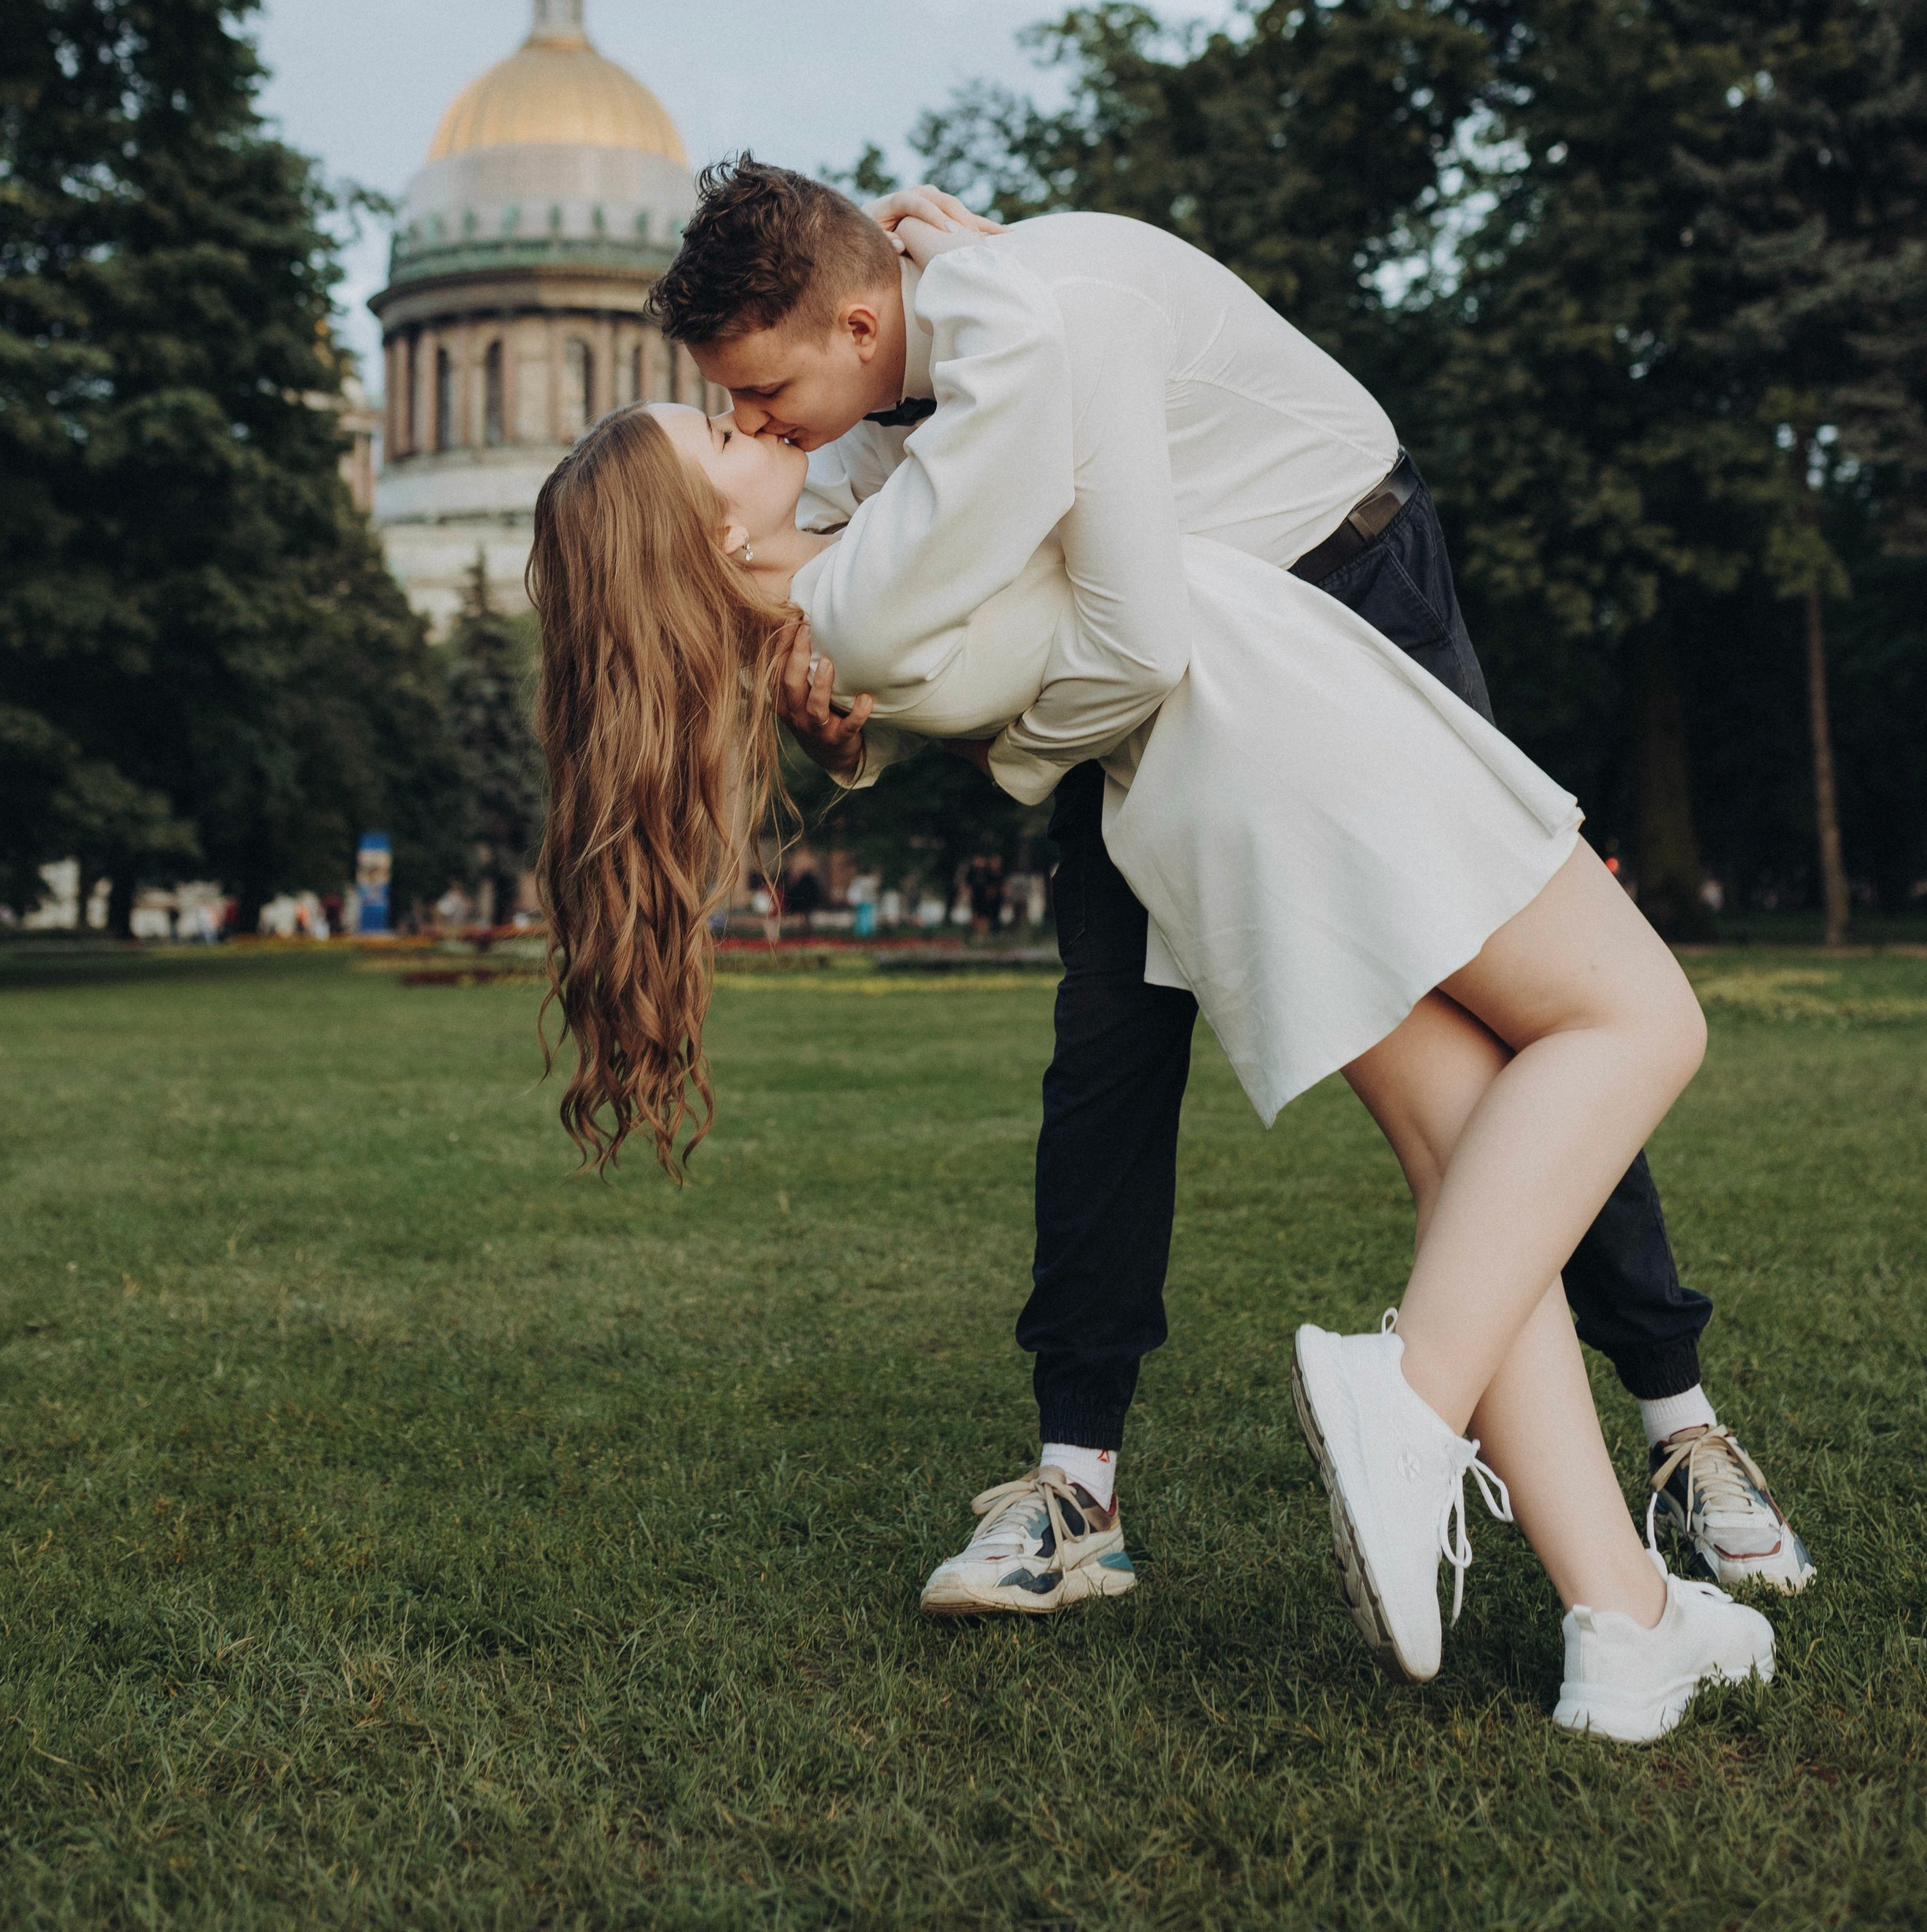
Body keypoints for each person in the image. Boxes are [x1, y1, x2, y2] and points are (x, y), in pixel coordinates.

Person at [530, 282, 1775, 1736]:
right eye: (718, 434)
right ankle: (1412, 1394)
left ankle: (1622, 1624)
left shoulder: (830, 609)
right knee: (1643, 1021)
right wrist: (980, 278)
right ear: (717, 543)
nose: (751, 422)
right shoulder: (871, 582)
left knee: (1474, 1171)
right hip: (1285, 725)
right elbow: (1052, 394)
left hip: (1206, 808)